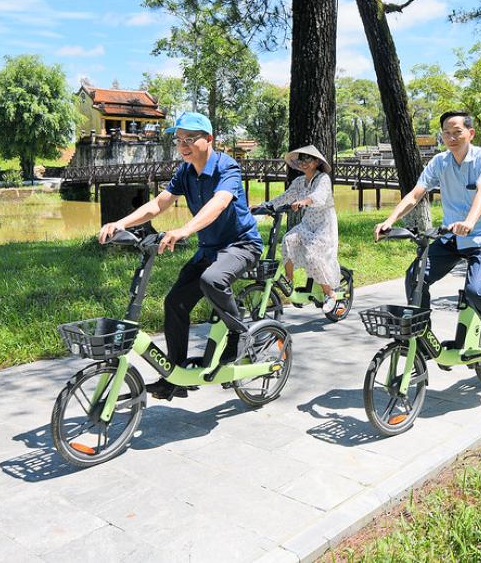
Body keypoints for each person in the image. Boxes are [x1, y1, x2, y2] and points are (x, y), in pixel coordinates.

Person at [97, 112, 262, 400]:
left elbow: (219, 203)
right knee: (174, 302)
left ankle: (239, 331)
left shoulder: (227, 167)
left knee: (211, 280)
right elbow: (159, 203)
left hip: (241, 245)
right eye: (179, 139)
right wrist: (121, 223)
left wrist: (185, 229)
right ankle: (175, 376)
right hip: (210, 249)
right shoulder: (185, 172)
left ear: (208, 139)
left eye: (190, 138)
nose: (183, 145)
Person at [374, 111, 481, 360]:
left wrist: (469, 221)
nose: (451, 137)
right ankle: (423, 336)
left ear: (470, 133)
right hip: (451, 235)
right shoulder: (440, 162)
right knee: (415, 277)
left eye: (457, 132)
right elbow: (415, 194)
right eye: (447, 133)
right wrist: (389, 221)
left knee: (476, 290)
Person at [264, 144, 344, 315]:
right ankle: (289, 282)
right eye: (300, 160)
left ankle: (330, 294)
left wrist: (304, 201)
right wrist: (266, 206)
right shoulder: (299, 181)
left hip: (324, 224)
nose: (303, 163)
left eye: (307, 159)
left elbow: (319, 197)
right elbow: (286, 196)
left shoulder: (323, 178)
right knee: (288, 240)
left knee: (312, 255)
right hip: (308, 222)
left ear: (316, 162)